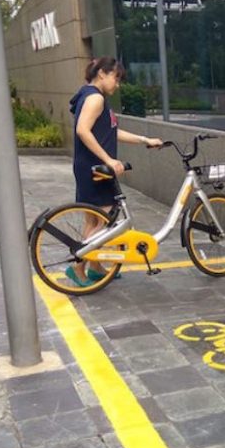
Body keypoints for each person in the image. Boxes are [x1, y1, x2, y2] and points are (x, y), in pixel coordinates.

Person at [66, 56, 163, 287]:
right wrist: (109, 159)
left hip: (87, 165)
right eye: (115, 78)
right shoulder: (95, 98)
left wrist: (143, 139)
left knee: (93, 220)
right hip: (95, 168)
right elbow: (83, 131)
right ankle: (78, 266)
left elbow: (111, 132)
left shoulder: (88, 95)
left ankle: (96, 267)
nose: (117, 84)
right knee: (104, 223)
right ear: (102, 73)